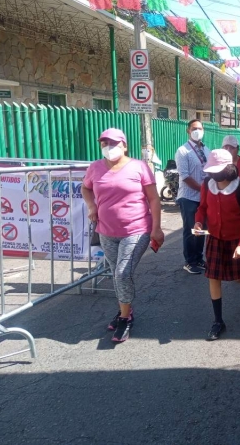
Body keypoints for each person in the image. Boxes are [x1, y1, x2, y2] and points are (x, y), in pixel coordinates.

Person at [82, 128, 164, 343]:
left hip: (136, 229)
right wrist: (91, 207)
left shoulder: (139, 167)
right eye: (104, 143)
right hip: (106, 231)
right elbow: (85, 188)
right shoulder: (95, 168)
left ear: (125, 145)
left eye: (114, 143)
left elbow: (154, 199)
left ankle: (125, 318)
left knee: (121, 273)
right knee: (116, 274)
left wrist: (157, 228)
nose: (108, 147)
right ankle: (124, 310)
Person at [194, 149, 240, 341]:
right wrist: (198, 222)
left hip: (235, 240)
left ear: (229, 169)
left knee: (239, 277)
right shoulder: (207, 184)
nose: (212, 174)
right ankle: (218, 321)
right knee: (214, 277)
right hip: (214, 238)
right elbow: (202, 208)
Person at [175, 119, 211, 275]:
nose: (198, 131)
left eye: (200, 128)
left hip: (205, 198)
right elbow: (185, 176)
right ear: (188, 131)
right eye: (194, 128)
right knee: (191, 230)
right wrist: (201, 189)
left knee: (202, 230)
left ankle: (198, 258)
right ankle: (190, 261)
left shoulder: (207, 150)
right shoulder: (183, 151)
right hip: (189, 197)